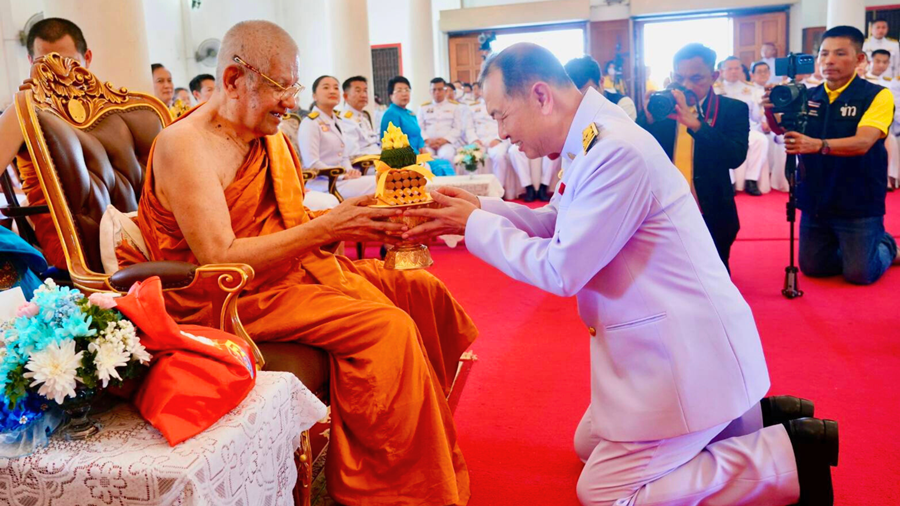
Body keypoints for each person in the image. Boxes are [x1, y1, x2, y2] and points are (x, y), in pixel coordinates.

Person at [405, 42, 837, 506]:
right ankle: (751, 420)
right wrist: (480, 207)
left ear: (540, 96)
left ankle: (788, 455)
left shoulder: (613, 149)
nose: (501, 132)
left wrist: (471, 226)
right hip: (665, 344)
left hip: (688, 354)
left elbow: (561, 269)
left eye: (501, 116)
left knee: (606, 493)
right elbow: (558, 221)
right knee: (587, 444)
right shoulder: (592, 136)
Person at [131, 21, 476, 505]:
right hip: (228, 297)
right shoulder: (185, 145)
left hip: (285, 274)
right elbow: (219, 260)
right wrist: (331, 227)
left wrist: (354, 220)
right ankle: (395, 490)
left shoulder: (269, 138)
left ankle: (422, 438)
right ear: (233, 80)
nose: (291, 103)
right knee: (387, 327)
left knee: (419, 287)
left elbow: (288, 217)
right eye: (279, 89)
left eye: (293, 87)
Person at [766, 26, 900, 285]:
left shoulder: (876, 95)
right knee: (814, 267)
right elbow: (784, 132)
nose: (829, 61)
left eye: (840, 53)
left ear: (860, 59)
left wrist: (816, 145)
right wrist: (771, 112)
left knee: (860, 275)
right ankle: (856, 247)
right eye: (824, 54)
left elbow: (864, 142)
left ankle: (886, 244)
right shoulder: (809, 95)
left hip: (858, 198)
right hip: (816, 197)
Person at [639, 44, 748, 271]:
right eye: (679, 78)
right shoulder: (663, 109)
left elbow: (735, 156)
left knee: (715, 275)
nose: (686, 86)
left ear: (714, 76)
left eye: (696, 78)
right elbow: (637, 152)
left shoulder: (732, 109)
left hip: (712, 207)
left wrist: (697, 126)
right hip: (664, 209)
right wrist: (647, 119)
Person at [0, 17, 92, 270]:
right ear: (30, 63)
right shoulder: (23, 111)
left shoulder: (107, 106)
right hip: (69, 235)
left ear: (88, 59)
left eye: (68, 63)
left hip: (126, 218)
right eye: (45, 65)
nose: (58, 75)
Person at [297, 75, 374, 199]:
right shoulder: (310, 123)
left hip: (342, 179)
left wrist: (350, 170)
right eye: (326, 87)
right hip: (323, 183)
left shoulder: (337, 121)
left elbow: (344, 156)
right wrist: (342, 174)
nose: (332, 91)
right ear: (314, 96)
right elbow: (312, 163)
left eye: (336, 88)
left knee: (381, 181)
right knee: (378, 184)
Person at [716, 56, 770, 196]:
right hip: (722, 129)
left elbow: (756, 117)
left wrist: (761, 108)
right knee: (718, 142)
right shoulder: (715, 90)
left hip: (747, 128)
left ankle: (751, 180)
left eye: (737, 68)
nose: (734, 72)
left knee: (760, 140)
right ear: (721, 71)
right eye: (730, 68)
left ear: (741, 70)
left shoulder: (751, 89)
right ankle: (730, 181)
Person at [750, 61, 789, 192]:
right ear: (752, 75)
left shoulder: (776, 89)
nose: (762, 74)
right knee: (761, 138)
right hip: (754, 126)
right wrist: (762, 122)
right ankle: (754, 180)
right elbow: (748, 115)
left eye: (765, 71)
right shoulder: (748, 91)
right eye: (759, 72)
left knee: (783, 139)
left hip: (772, 126)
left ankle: (781, 179)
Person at [464, 81, 511, 185]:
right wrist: (474, 140)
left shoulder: (501, 104)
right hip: (478, 141)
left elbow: (506, 123)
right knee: (471, 157)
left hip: (496, 139)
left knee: (499, 156)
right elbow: (469, 128)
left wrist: (497, 138)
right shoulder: (471, 107)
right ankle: (475, 190)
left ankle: (499, 190)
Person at [565, 55, 637, 120]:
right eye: (576, 98)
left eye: (587, 95)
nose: (582, 103)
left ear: (601, 82)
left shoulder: (622, 104)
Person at [418, 78, 465, 163]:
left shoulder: (454, 107)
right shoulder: (423, 108)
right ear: (430, 91)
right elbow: (419, 128)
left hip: (446, 143)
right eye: (434, 90)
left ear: (445, 91)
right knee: (424, 158)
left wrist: (444, 140)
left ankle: (448, 176)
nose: (437, 92)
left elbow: (457, 128)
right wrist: (427, 140)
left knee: (447, 156)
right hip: (428, 144)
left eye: (440, 89)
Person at [379, 76, 425, 153]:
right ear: (391, 96)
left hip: (417, 153)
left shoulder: (410, 113)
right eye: (399, 91)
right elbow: (395, 145)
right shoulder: (391, 114)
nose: (404, 94)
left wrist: (421, 146)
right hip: (405, 158)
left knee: (443, 163)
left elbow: (418, 135)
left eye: (407, 90)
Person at [339, 76, 380, 159]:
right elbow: (353, 155)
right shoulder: (345, 119)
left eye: (365, 91)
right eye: (358, 91)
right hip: (366, 165)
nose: (364, 95)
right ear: (346, 96)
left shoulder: (364, 119)